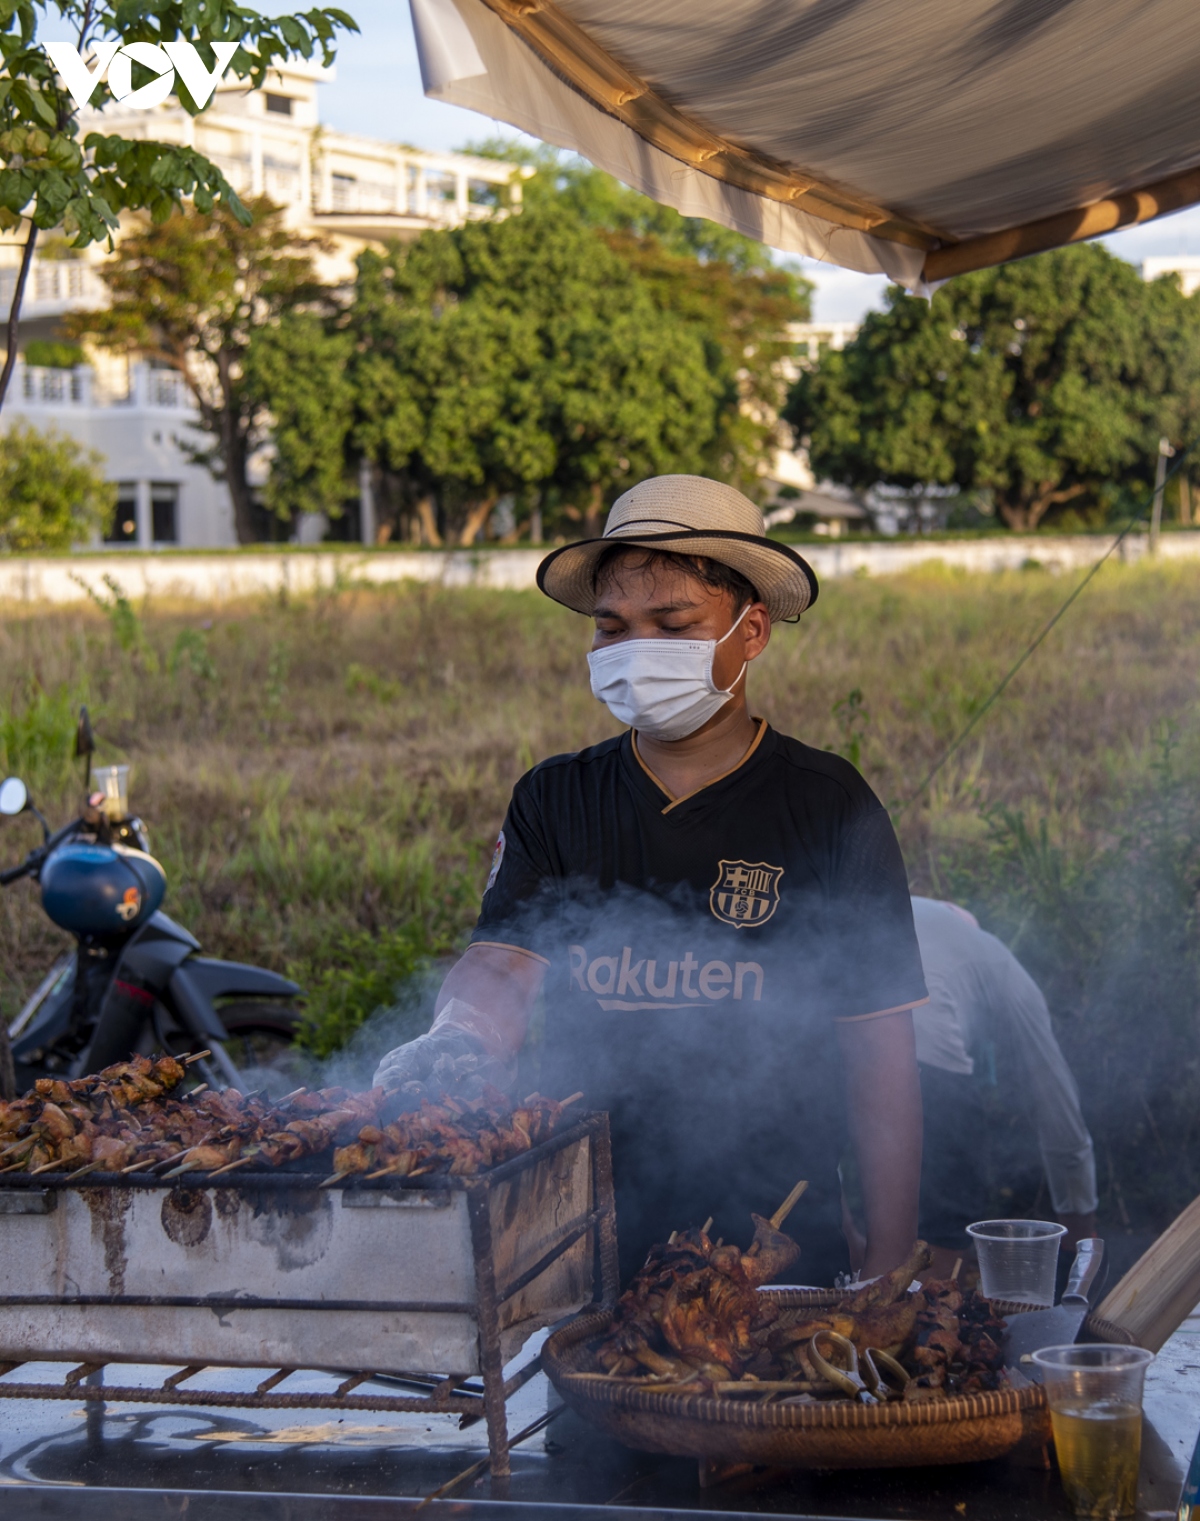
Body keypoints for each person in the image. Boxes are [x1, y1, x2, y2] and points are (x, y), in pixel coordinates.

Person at [373, 476, 929, 1286]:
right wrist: (456, 1034)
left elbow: (881, 1054)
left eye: (672, 624)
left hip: (773, 1250)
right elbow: (503, 966)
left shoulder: (827, 803)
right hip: (577, 1244)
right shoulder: (556, 797)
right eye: (612, 627)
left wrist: (887, 1264)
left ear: (752, 632)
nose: (637, 648)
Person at [891, 897, 1096, 1279]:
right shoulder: (996, 957)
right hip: (928, 1055)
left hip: (847, 1040)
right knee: (945, 1209)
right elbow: (1059, 1110)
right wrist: (1080, 1251)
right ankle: (926, 1322)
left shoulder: (897, 903)